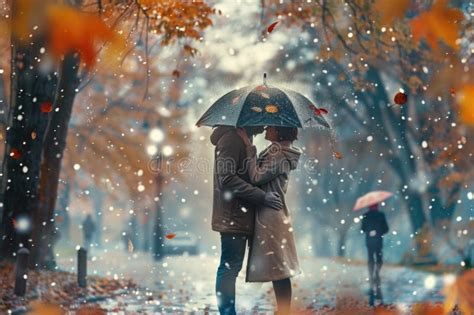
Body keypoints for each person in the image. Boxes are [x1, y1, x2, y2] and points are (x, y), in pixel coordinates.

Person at [211, 125, 283, 315]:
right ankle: (227, 313)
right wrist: (261, 196)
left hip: (240, 214)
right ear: (247, 120)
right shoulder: (230, 140)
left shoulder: (241, 139)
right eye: (260, 121)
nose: (264, 126)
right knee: (230, 266)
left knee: (233, 266)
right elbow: (226, 178)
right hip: (233, 215)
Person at [237, 126, 302, 315]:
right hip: (271, 214)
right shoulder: (277, 151)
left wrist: (249, 146)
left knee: (279, 269)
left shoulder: (280, 154)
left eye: (271, 126)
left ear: (280, 131)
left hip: (271, 216)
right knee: (278, 269)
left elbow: (256, 177)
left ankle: (284, 312)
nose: (266, 128)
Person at [360, 203, 389, 306]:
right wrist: (378, 232)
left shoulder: (366, 216)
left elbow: (362, 228)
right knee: (378, 258)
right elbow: (386, 229)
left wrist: (370, 231)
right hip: (378, 242)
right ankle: (376, 273)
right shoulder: (381, 215)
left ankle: (372, 274)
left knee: (371, 258)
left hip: (370, 242)